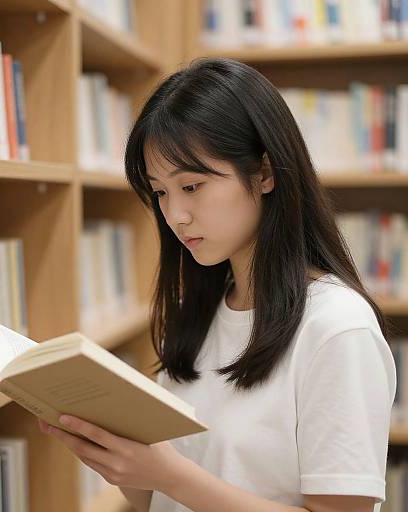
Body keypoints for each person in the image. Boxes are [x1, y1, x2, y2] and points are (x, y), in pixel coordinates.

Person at [39, 57, 397, 512]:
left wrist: (171, 475)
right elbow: (162, 493)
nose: (175, 216)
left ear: (265, 173)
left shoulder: (336, 327)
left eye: (191, 186)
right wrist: (117, 456)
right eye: (161, 192)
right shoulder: (202, 307)